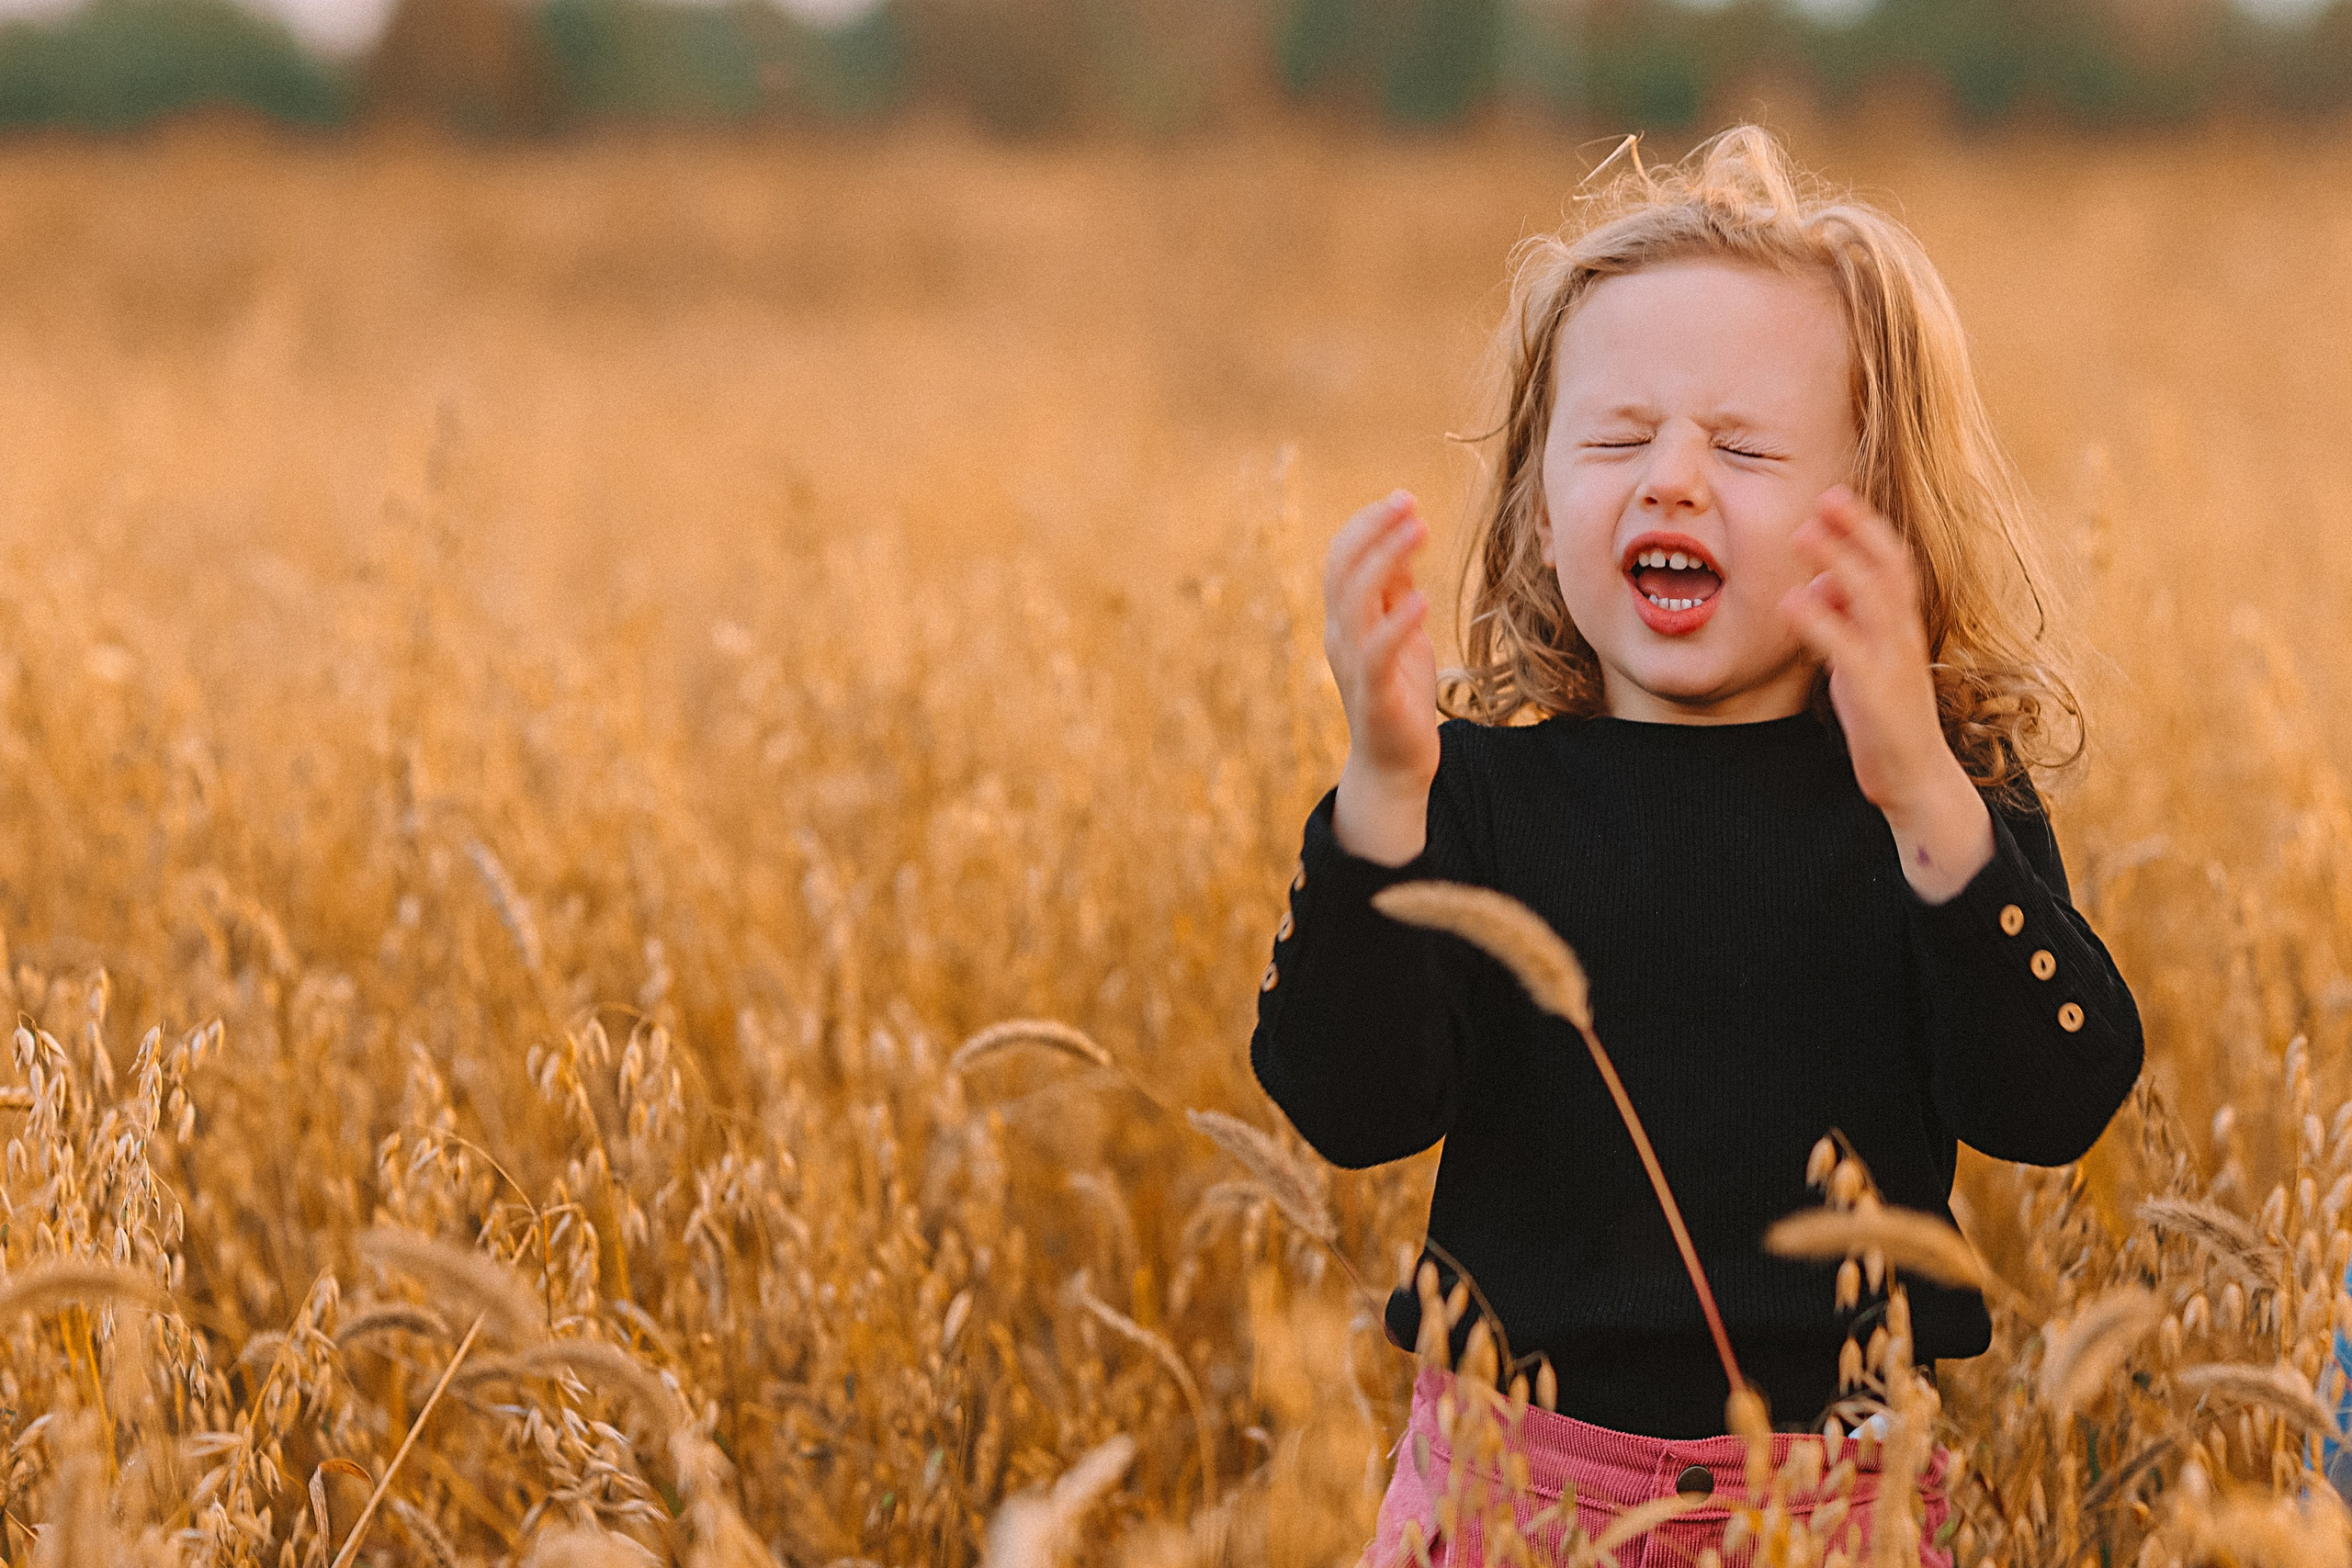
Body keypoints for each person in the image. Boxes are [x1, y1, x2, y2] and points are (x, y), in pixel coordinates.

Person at [1249, 126, 2144, 1563]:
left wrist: (1927, 798)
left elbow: (2059, 1094)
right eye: (1615, 438)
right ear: (1543, 515)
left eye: (1741, 447)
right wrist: (1379, 792)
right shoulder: (1469, 797)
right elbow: (1351, 1107)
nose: (1670, 479)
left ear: (1874, 522)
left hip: (1832, 1506)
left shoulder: (1927, 803)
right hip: (1510, 1499)